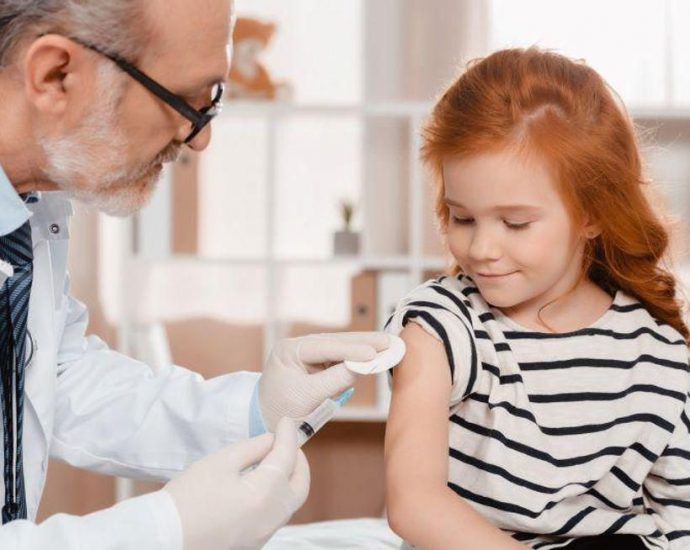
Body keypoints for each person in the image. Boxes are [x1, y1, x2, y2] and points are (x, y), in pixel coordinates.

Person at [0, 1, 390, 548]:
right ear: (55, 75)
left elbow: (53, 378)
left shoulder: (28, 211)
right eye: (185, 101)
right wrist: (167, 529)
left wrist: (255, 410)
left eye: (213, 101)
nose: (199, 138)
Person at [383, 48, 690, 550]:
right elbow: (415, 504)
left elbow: (680, 518)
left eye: (515, 223)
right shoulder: (439, 328)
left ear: (592, 215)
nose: (482, 248)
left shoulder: (659, 354)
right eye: (463, 218)